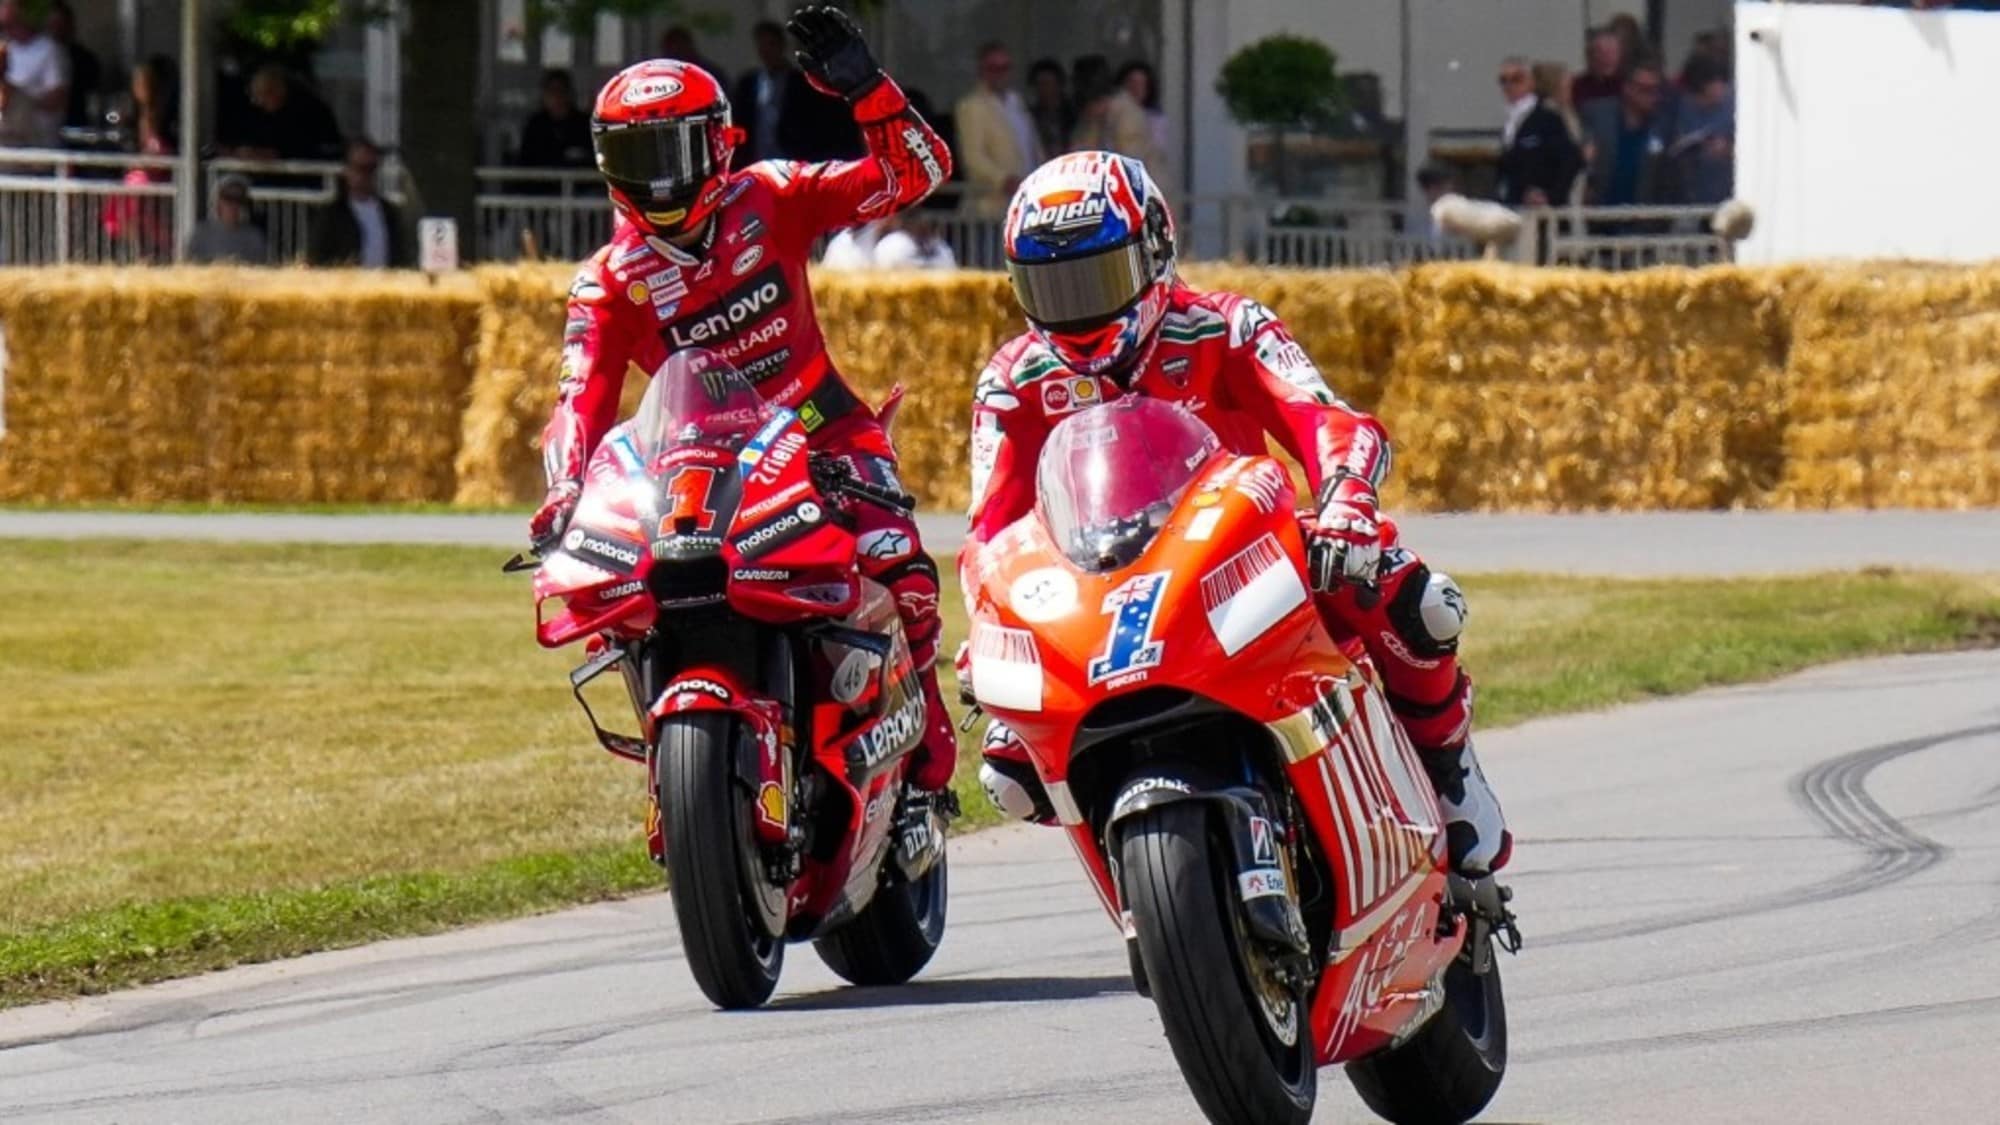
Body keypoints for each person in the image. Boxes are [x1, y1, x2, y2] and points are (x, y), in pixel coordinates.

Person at [960, 151, 1510, 875]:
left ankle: (1447, 767)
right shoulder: (1014, 380)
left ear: (1155, 250)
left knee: (1415, 602)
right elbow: (991, 528)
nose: (1079, 308)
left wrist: (1346, 497)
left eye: (1098, 279)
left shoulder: (1226, 326)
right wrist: (989, 619)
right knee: (1008, 768)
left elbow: (1324, 417)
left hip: (1243, 555)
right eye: (1054, 288)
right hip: (1097, 597)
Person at [529, 7, 959, 795]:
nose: (660, 179)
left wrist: (868, 92)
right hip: (698, 469)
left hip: (824, 431)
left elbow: (914, 176)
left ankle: (925, 709)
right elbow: (578, 399)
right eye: (636, 156)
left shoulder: (774, 194)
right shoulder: (608, 281)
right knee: (630, 602)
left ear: (721, 144)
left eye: (675, 151)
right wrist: (563, 493)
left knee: (900, 564)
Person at [730, 18, 860, 167]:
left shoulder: (802, 84)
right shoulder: (748, 84)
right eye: (762, 45)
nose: (766, 51)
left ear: (781, 46)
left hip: (791, 159)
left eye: (771, 45)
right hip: (757, 161)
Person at [953, 41, 1040, 218]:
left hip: (1027, 202)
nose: (1000, 74)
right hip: (991, 208)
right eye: (993, 68)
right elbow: (973, 157)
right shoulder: (972, 106)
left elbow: (1033, 145)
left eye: (1005, 68)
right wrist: (1003, 180)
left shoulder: (1017, 102)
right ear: (982, 71)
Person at [1580, 61, 1673, 205]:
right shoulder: (1597, 115)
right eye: (1645, 90)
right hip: (1600, 210)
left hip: (1644, 212)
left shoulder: (1662, 126)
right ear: (1627, 88)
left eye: (1656, 90)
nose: (1652, 96)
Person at [1494, 56, 1582, 207]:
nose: (1509, 86)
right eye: (1503, 80)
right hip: (1513, 205)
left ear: (1531, 82)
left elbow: (1571, 160)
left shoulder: (1547, 118)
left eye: (1517, 79)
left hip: (1541, 210)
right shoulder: (1510, 121)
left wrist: (1551, 197)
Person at [306, 138, 407, 267]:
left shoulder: (389, 212)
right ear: (347, 170)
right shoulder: (332, 214)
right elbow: (316, 257)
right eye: (361, 168)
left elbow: (400, 255)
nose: (366, 175)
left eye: (371, 169)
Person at [226, 64, 344, 162]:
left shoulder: (311, 110)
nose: (259, 102)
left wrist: (278, 154)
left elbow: (318, 149)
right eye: (256, 97)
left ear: (278, 90)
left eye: (263, 95)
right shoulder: (260, 113)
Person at [0, 0, 69, 149]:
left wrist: (19, 98)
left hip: (38, 144)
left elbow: (57, 99)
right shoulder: (6, 48)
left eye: (11, 23)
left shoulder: (51, 50)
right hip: (6, 142)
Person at [1667, 53, 1732, 205]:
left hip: (1724, 191)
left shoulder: (1733, 105)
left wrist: (1727, 148)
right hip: (1691, 191)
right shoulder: (1682, 107)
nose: (1720, 88)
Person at [517, 68, 592, 168]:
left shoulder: (584, 124)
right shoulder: (535, 125)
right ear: (544, 95)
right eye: (552, 91)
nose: (557, 97)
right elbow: (525, 161)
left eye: (561, 91)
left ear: (570, 94)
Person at [187, 174, 271, 264]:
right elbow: (189, 264)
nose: (234, 204)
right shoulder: (201, 233)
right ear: (217, 201)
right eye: (228, 197)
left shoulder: (254, 237)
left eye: (239, 199)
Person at [45, 0, 96, 131]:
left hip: (76, 124)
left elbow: (91, 96)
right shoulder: (39, 58)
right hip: (44, 127)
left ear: (70, 26)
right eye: (53, 25)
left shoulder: (85, 59)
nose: (57, 30)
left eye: (61, 25)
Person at [1114, 60, 1169, 159]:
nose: (1136, 88)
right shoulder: (1111, 114)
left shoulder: (1155, 119)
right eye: (1132, 82)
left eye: (1141, 84)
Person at [1025, 58, 1071, 157]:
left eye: (1047, 83)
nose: (1043, 89)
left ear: (1059, 84)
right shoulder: (1029, 117)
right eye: (1038, 84)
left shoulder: (1074, 113)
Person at [1570, 26, 1624, 109]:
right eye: (1602, 53)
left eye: (1613, 52)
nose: (1608, 58)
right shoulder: (1577, 86)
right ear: (1590, 56)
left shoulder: (1628, 86)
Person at [660, 24, 726, 90]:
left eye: (681, 46)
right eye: (674, 49)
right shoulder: (660, 76)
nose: (678, 52)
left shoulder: (710, 74)